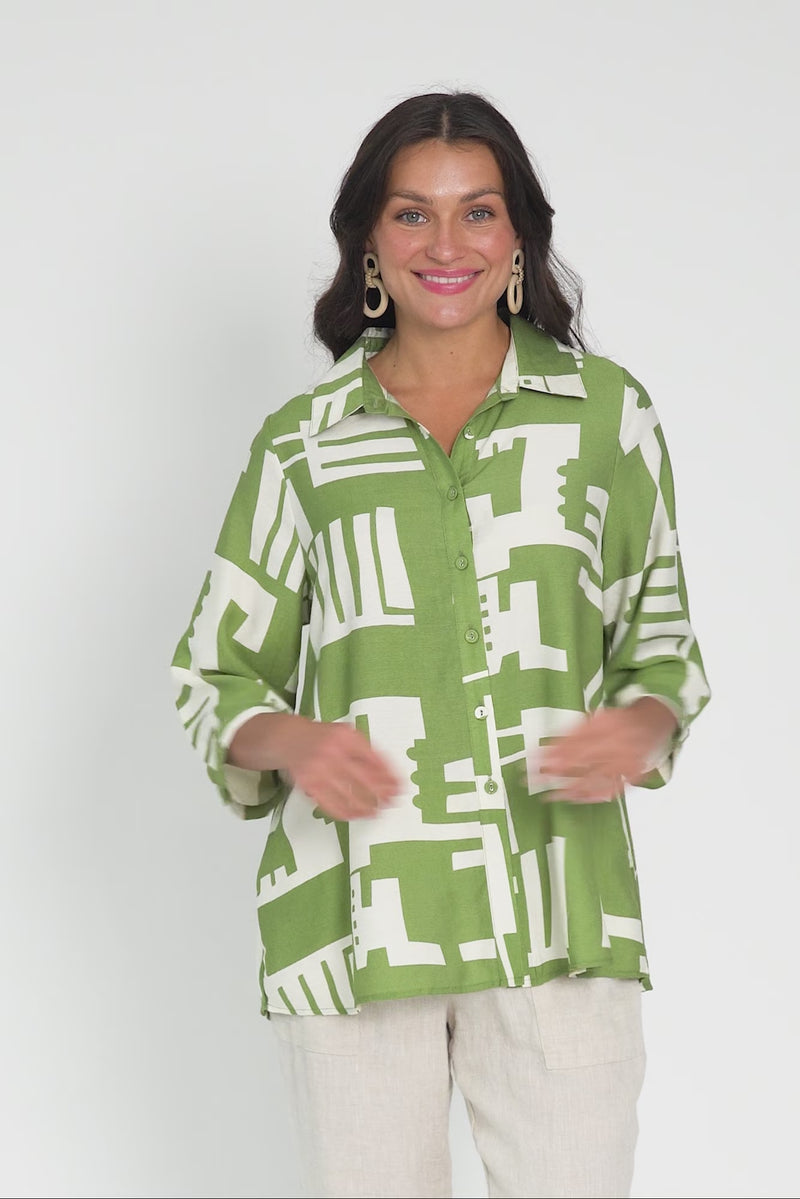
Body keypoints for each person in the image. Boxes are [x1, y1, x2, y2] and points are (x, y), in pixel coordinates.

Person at [171, 91, 710, 1199]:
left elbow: (660, 637)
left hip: (557, 909)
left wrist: (640, 723)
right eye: (412, 213)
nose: (446, 243)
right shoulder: (304, 444)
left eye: (478, 211)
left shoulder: (604, 417)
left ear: (519, 238)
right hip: (356, 916)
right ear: (369, 242)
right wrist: (292, 740)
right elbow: (213, 672)